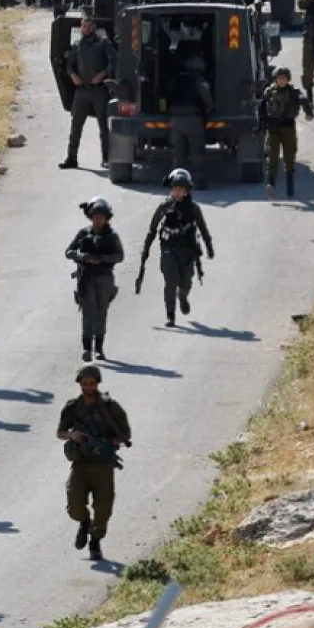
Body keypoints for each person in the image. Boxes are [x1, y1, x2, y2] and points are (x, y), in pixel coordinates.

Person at [56, 364, 131, 562]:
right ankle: (84, 522)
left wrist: (112, 442)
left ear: (97, 383)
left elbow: (125, 434)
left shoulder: (110, 407)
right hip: (81, 463)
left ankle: (95, 542)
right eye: (84, 383)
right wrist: (72, 434)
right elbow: (60, 432)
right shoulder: (72, 407)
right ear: (80, 384)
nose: (88, 386)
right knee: (74, 503)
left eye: (91, 383)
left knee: (104, 507)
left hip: (103, 464)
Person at [141, 168, 214, 327]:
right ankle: (170, 315)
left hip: (187, 251)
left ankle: (182, 296)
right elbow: (152, 229)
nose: (178, 192)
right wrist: (145, 249)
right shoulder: (164, 207)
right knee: (170, 281)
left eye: (181, 189)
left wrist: (209, 247)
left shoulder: (193, 209)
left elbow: (203, 228)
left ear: (187, 191)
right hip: (168, 249)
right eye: (175, 189)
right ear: (171, 189)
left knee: (186, 282)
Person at [66, 196, 124, 361]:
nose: (97, 220)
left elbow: (119, 256)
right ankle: (87, 349)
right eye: (95, 217)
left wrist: (102, 258)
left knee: (101, 313)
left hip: (104, 279)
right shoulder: (83, 234)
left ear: (106, 218)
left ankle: (99, 348)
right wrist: (82, 256)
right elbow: (68, 252)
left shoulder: (112, 237)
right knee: (88, 313)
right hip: (86, 278)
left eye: (101, 217)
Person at [60, 13, 115, 169]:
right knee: (76, 125)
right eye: (84, 26)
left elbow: (113, 63)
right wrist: (73, 76)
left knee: (104, 126)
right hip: (82, 90)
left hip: (99, 90)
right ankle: (71, 158)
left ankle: (107, 158)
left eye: (90, 25)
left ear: (94, 27)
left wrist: (103, 74)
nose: (87, 28)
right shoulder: (77, 45)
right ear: (81, 27)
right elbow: (69, 65)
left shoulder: (103, 44)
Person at [257, 66, 314, 199]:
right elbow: (262, 108)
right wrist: (261, 125)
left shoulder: (293, 91)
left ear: (288, 79)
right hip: (273, 129)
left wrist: (309, 113)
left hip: (288, 128)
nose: (282, 81)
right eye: (279, 78)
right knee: (272, 157)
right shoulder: (269, 91)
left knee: (289, 158)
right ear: (275, 79)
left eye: (284, 78)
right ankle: (271, 184)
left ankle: (290, 185)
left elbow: (303, 100)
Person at [164, 52, 214, 189]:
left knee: (178, 152)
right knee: (196, 151)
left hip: (175, 120)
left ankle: (175, 182)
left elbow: (166, 94)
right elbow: (207, 99)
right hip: (193, 120)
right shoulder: (199, 81)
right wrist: (209, 109)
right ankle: (200, 181)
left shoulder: (175, 79)